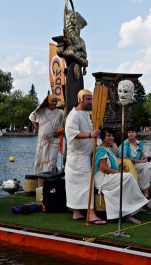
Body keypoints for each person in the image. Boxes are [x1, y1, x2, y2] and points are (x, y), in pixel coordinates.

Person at [94, 128, 151, 224]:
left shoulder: (109, 148)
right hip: (103, 179)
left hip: (111, 176)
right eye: (108, 136)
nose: (111, 138)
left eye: (112, 136)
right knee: (129, 177)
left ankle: (128, 214)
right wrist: (118, 173)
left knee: (128, 179)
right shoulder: (101, 150)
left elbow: (115, 162)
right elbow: (103, 168)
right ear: (103, 137)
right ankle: (143, 201)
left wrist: (114, 145)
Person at [64, 89, 106, 224]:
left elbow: (91, 133)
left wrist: (98, 142)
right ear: (80, 99)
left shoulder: (86, 115)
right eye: (88, 99)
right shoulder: (73, 115)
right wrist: (90, 135)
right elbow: (71, 133)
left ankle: (76, 212)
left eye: (91, 99)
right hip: (77, 158)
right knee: (85, 185)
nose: (91, 101)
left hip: (84, 156)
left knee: (79, 186)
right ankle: (91, 213)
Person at [119, 126, 151, 199]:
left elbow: (145, 154)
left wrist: (145, 158)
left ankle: (146, 193)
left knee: (147, 168)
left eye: (132, 132)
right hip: (129, 166)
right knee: (147, 165)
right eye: (129, 132)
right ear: (127, 134)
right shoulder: (125, 144)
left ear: (136, 133)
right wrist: (138, 161)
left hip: (137, 165)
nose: (131, 134)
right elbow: (123, 157)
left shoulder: (139, 143)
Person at [29, 94, 64, 174]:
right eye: (52, 101)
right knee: (39, 161)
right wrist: (36, 127)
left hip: (53, 141)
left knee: (51, 162)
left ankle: (50, 179)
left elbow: (68, 125)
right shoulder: (41, 110)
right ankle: (39, 178)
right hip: (42, 141)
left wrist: (61, 132)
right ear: (48, 101)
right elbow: (31, 116)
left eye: (56, 101)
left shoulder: (60, 113)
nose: (54, 103)